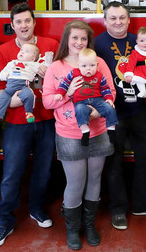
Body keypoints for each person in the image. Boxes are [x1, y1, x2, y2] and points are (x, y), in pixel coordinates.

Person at [0, 3, 58, 249]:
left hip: (47, 120)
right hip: (18, 122)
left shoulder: (50, 45)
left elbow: (60, 78)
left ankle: (37, 209)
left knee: (44, 170)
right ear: (12, 25)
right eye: (18, 22)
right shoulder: (4, 51)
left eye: (27, 20)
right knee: (11, 173)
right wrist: (19, 99)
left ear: (34, 22)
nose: (23, 25)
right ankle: (5, 220)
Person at [94, 2, 146, 231]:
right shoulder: (97, 43)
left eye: (122, 18)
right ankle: (118, 210)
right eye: (113, 18)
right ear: (105, 21)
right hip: (112, 113)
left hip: (138, 109)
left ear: (129, 20)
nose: (118, 22)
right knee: (114, 163)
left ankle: (141, 204)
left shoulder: (140, 40)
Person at [43, 21, 115, 250]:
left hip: (98, 131)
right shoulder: (56, 67)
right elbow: (47, 101)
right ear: (67, 39)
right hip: (69, 133)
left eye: (83, 39)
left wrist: (97, 110)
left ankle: (89, 224)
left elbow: (110, 91)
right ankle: (73, 229)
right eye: (75, 38)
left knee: (94, 179)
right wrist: (69, 94)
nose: (78, 42)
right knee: (75, 182)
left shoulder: (99, 62)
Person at [55, 48, 118, 146]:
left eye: (92, 65)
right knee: (79, 110)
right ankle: (85, 131)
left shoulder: (99, 76)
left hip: (98, 101)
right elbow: (65, 84)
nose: (88, 69)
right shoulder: (74, 73)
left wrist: (109, 99)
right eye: (84, 66)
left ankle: (111, 130)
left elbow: (106, 89)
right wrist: (60, 93)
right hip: (81, 102)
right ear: (78, 65)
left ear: (97, 65)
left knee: (110, 108)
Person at [0, 43, 41, 130]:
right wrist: (6, 76)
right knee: (1, 99)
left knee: (29, 95)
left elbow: (44, 69)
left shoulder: (33, 64)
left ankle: (29, 112)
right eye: (21, 50)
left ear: (33, 58)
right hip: (9, 88)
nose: (22, 52)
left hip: (23, 86)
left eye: (27, 51)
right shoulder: (12, 63)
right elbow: (2, 74)